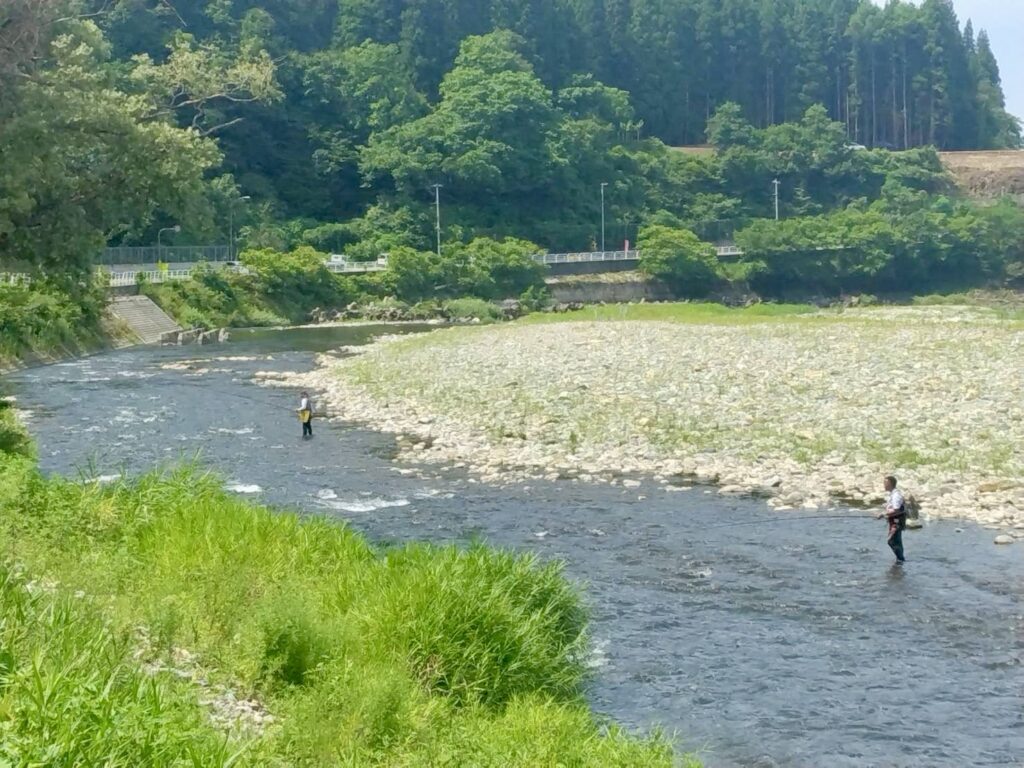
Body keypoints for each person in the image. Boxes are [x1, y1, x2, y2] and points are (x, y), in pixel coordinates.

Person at [877, 475, 907, 562]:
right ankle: (900, 561)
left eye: (885, 483)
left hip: (897, 521)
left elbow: (896, 509)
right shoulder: (893, 494)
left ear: (890, 484)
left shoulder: (896, 495)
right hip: (894, 520)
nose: (884, 485)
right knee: (897, 541)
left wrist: (883, 514)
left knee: (892, 541)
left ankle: (901, 559)